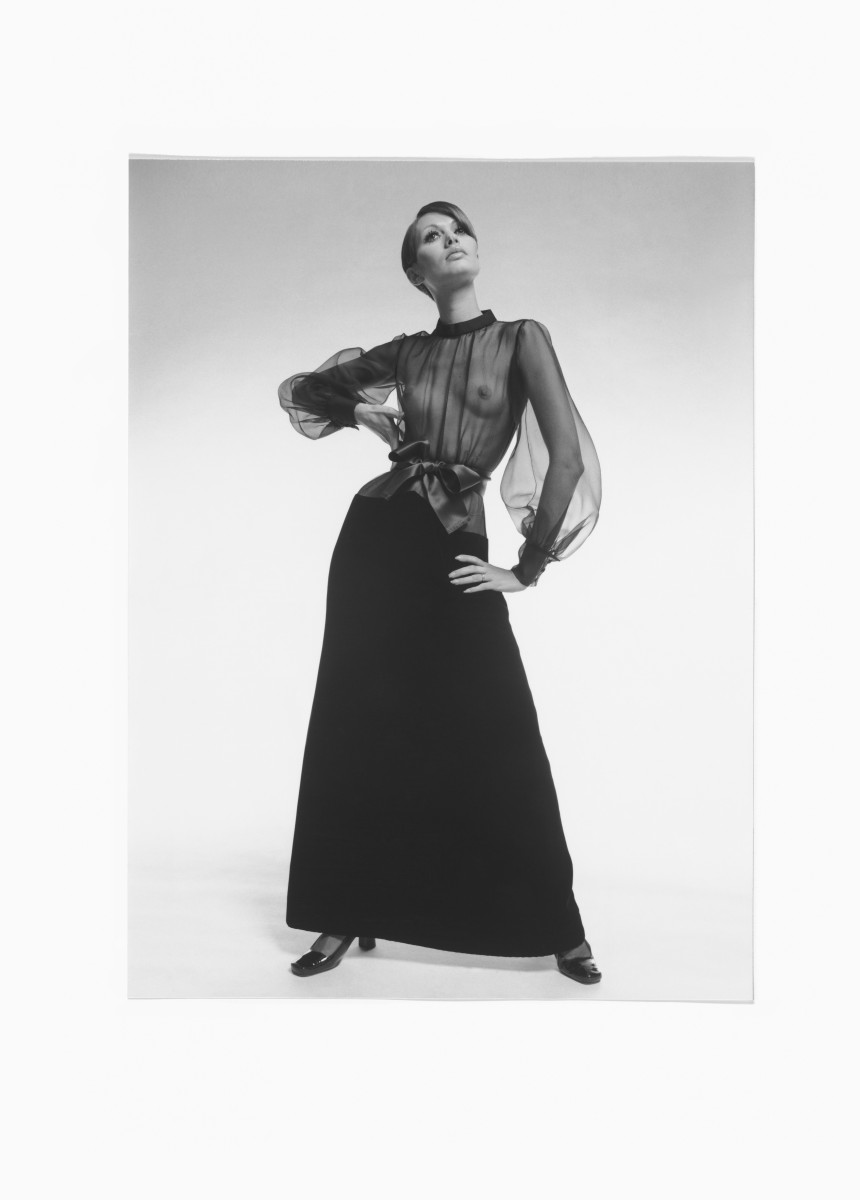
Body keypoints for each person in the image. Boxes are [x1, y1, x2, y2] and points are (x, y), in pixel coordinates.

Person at [277, 200, 603, 985]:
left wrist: (526, 567)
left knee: (500, 725)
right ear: (417, 272)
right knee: (361, 723)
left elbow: (564, 458)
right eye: (432, 235)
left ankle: (557, 926)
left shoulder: (521, 337)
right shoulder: (408, 352)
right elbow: (303, 390)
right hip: (378, 539)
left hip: (456, 543)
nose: (450, 238)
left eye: (458, 229)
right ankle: (346, 908)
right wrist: (363, 410)